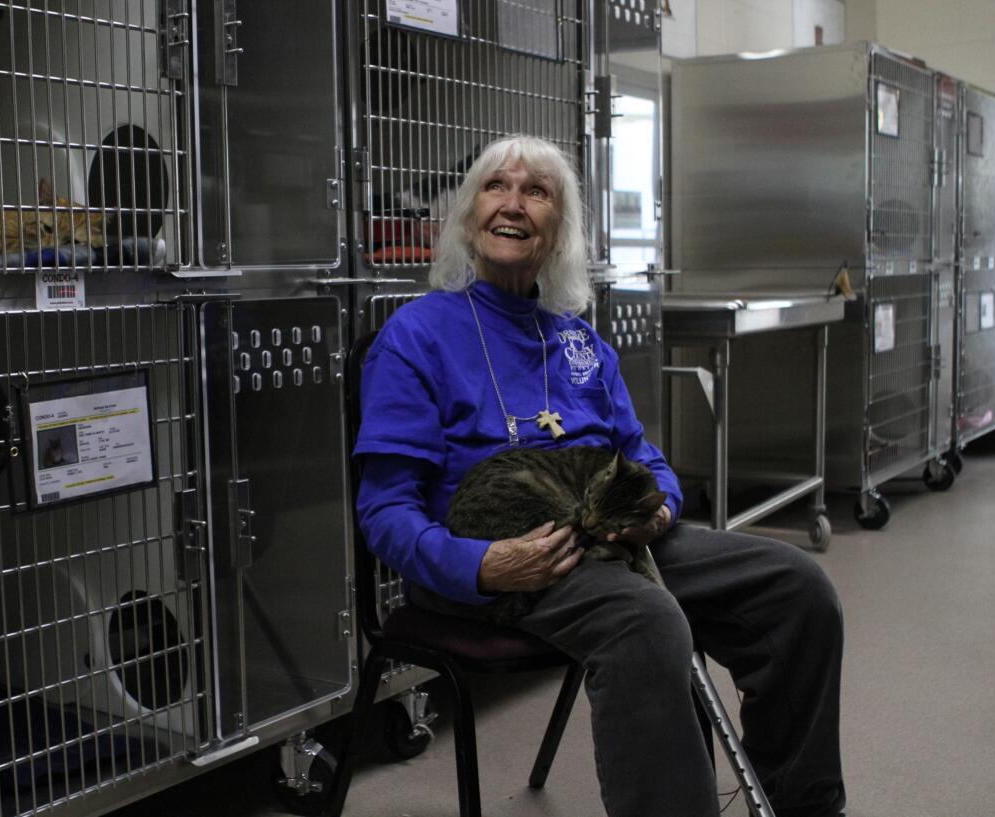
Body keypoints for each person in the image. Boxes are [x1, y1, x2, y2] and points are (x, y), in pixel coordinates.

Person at [353, 135, 845, 817]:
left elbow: (642, 454)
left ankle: (803, 805)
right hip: (488, 555)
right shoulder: (414, 336)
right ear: (467, 218)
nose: (514, 204)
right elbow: (384, 510)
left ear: (559, 231)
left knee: (799, 590)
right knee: (645, 620)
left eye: (538, 191)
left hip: (612, 537)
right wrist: (484, 563)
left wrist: (660, 509)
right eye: (497, 187)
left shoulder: (580, 339)